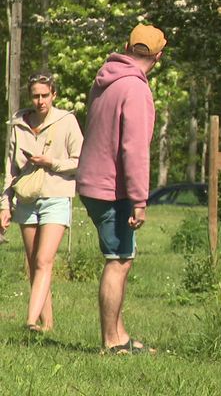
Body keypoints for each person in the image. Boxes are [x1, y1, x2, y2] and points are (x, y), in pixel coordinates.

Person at [76, 23, 166, 354]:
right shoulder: (136, 90)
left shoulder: (105, 81)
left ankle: (121, 335)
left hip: (91, 182)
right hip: (112, 189)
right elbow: (134, 149)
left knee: (122, 257)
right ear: (159, 55)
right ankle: (110, 343)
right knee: (118, 262)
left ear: (126, 46)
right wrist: (140, 199)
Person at [0, 71, 83, 332]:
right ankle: (47, 325)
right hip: (26, 198)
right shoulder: (19, 124)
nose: (40, 101)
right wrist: (5, 203)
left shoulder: (67, 121)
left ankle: (30, 320)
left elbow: (81, 162)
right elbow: (10, 169)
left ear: (54, 95)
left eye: (45, 96)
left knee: (45, 260)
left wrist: (52, 163)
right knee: (34, 261)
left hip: (56, 196)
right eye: (35, 96)